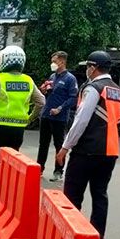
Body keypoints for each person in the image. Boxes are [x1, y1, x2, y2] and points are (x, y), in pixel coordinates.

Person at [55, 51, 120, 239]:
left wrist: (65, 146)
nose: (87, 70)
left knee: (72, 196)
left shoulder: (93, 88)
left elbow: (81, 120)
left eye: (88, 66)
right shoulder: (117, 91)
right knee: (100, 196)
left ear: (93, 68)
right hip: (110, 151)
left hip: (87, 151)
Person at [0, 46, 45, 206]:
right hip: (17, 130)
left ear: (4, 60)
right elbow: (41, 102)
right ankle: (7, 195)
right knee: (10, 162)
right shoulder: (28, 80)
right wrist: (28, 119)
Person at [37, 51, 78, 181]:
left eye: (54, 61)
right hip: (46, 115)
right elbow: (48, 93)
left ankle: (58, 171)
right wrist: (43, 91)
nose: (52, 64)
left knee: (59, 145)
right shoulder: (52, 76)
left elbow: (73, 98)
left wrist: (60, 109)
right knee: (43, 144)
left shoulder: (70, 79)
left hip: (59, 117)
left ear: (62, 61)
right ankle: (39, 168)